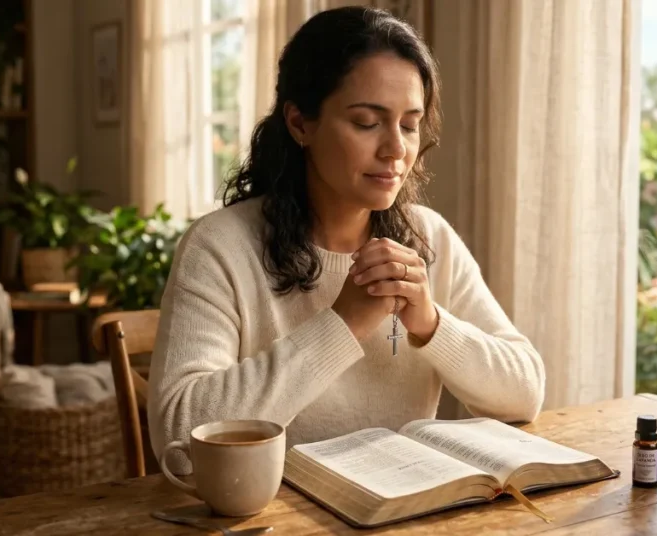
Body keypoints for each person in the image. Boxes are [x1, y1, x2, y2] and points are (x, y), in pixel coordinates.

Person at [149, 6, 545, 473]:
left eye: (409, 124)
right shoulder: (219, 246)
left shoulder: (428, 236)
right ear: (300, 124)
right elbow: (178, 433)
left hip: (402, 512)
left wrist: (430, 322)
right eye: (366, 122)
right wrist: (344, 323)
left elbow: (525, 393)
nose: (396, 149)